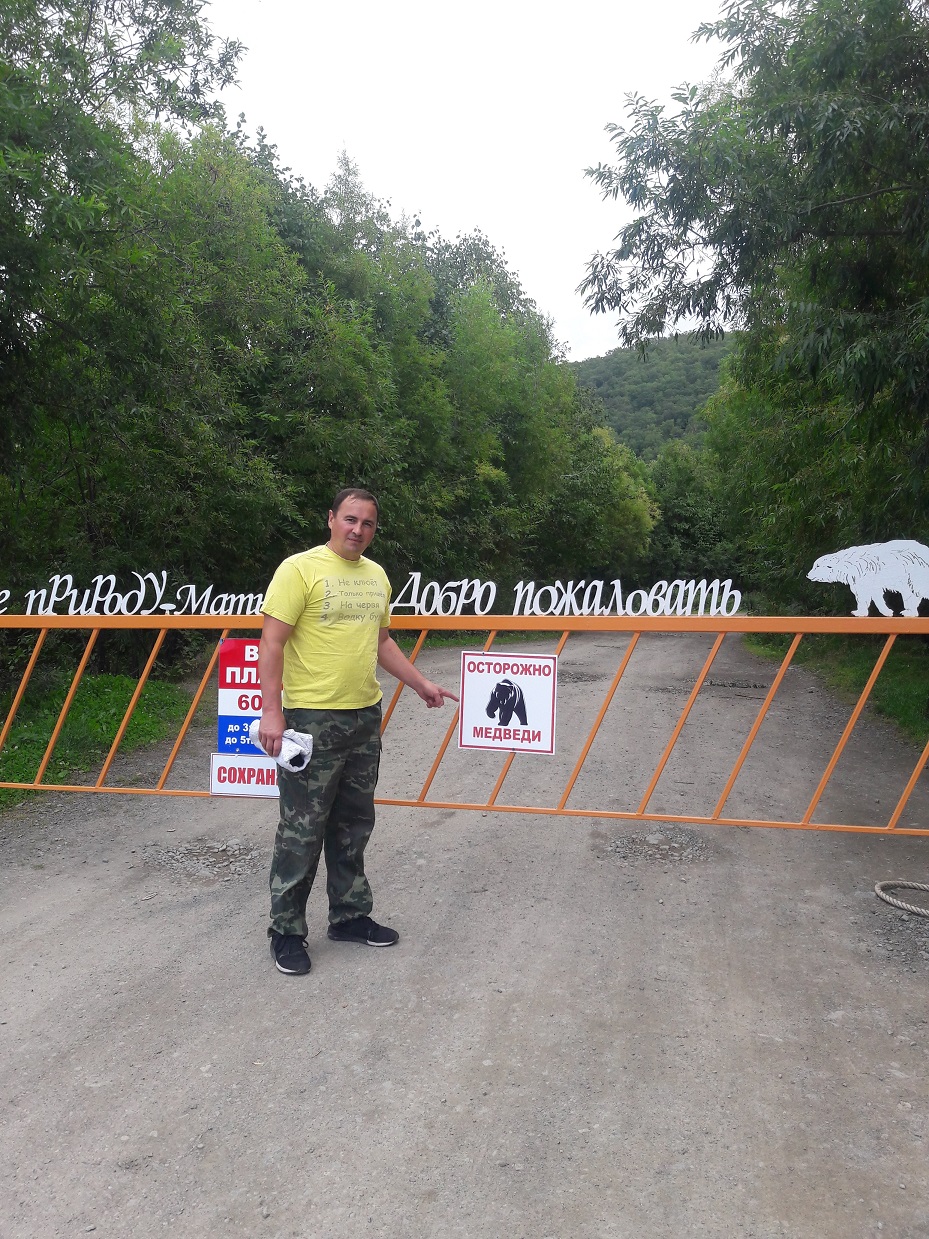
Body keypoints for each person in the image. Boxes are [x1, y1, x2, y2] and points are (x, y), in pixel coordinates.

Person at [257, 487, 457, 976]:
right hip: (309, 718)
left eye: (367, 523)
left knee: (352, 823)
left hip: (364, 716)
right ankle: (286, 931)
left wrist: (420, 683)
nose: (357, 530)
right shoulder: (299, 570)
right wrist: (271, 712)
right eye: (350, 519)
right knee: (302, 829)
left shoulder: (376, 576)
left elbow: (381, 642)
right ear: (331, 519)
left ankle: (349, 917)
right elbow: (272, 642)